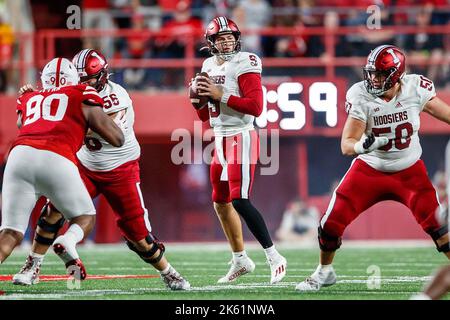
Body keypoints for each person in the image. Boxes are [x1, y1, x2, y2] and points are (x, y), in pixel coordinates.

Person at [12, 49, 190, 291]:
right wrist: (36, 98)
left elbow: (109, 134)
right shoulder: (73, 94)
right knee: (52, 212)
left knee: (138, 237)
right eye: (79, 79)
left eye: (88, 80)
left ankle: (168, 272)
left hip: (121, 169)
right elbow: (52, 108)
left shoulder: (116, 97)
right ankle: (32, 266)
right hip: (86, 165)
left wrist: (56, 118)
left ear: (104, 76)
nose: (84, 84)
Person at [296, 45, 450, 292]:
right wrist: (362, 146)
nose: (374, 78)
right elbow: (347, 145)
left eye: (380, 74)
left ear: (396, 74)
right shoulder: (360, 95)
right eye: (371, 73)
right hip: (369, 169)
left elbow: (445, 113)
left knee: (441, 230)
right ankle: (324, 271)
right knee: (330, 224)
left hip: (409, 171)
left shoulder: (415, 89)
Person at [0, 57, 124, 273]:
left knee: (10, 232)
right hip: (56, 155)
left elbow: (23, 124)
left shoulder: (29, 97)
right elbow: (117, 139)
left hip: (19, 155)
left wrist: (30, 96)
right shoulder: (83, 93)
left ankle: (30, 266)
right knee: (84, 216)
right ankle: (67, 241)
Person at [191, 16, 287, 284]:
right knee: (220, 201)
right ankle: (240, 259)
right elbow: (205, 118)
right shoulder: (207, 64)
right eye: (220, 38)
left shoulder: (247, 61)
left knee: (240, 200)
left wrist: (220, 94)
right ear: (211, 43)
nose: (226, 41)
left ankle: (274, 256)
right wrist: (196, 101)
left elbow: (256, 107)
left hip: (240, 136)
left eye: (230, 36)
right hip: (219, 137)